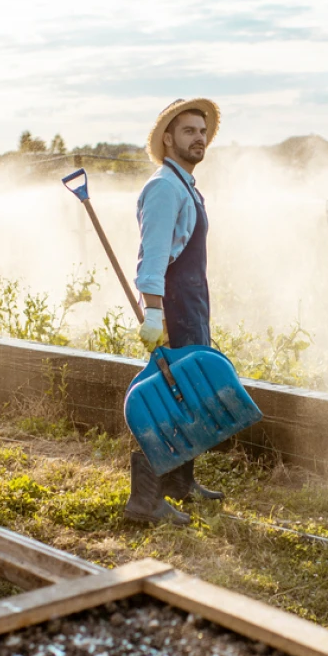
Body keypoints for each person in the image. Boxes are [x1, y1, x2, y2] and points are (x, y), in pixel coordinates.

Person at [123, 98, 225, 524]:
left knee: (191, 395)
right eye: (188, 131)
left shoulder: (186, 186)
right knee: (169, 399)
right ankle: (144, 502)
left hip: (191, 304)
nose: (199, 138)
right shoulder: (164, 187)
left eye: (202, 131)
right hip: (174, 308)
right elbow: (153, 257)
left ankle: (180, 483)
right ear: (168, 139)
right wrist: (154, 314)